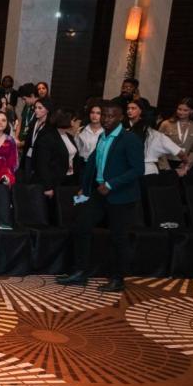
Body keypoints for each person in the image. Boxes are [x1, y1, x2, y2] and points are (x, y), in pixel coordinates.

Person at [57, 101, 145, 293]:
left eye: (111, 116)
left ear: (121, 117)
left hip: (120, 197)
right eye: (104, 115)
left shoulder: (130, 139)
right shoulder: (103, 137)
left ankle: (118, 278)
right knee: (81, 226)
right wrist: (85, 189)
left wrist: (112, 184)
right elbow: (93, 165)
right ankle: (80, 272)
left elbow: (138, 170)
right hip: (98, 193)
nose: (106, 119)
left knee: (118, 238)